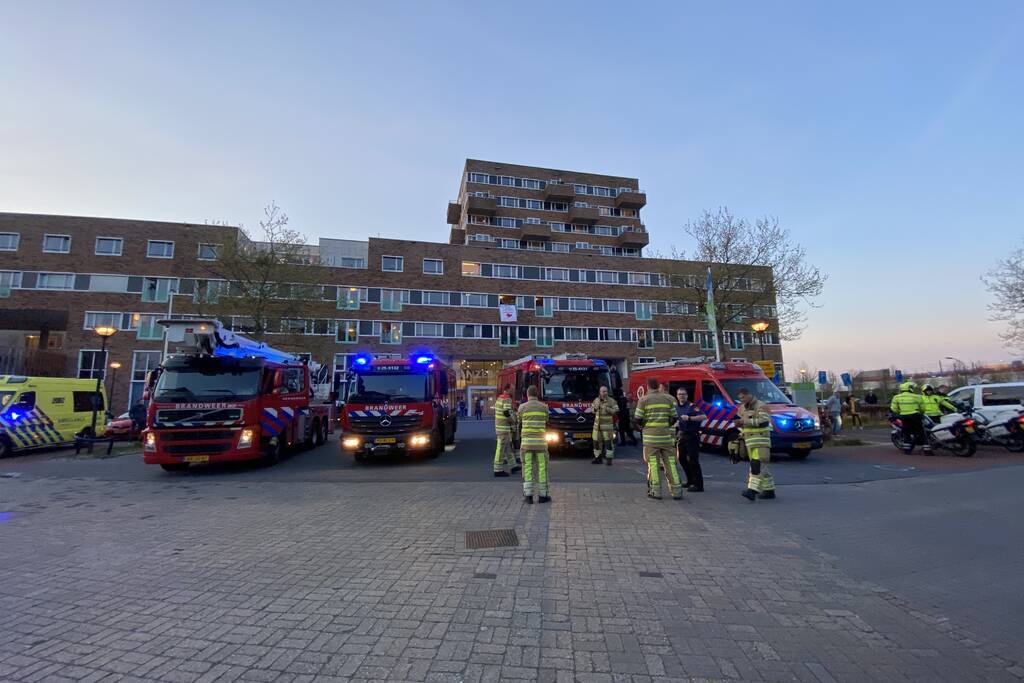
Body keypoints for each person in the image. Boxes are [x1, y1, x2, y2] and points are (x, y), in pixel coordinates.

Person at [634, 377, 682, 500]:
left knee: (654, 465)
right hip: (666, 437)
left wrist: (645, 425)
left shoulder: (644, 400)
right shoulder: (668, 399)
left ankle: (655, 491)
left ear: (648, 386)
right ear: (658, 386)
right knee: (671, 464)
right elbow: (674, 417)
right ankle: (677, 491)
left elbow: (637, 419)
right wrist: (666, 425)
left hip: (651, 439)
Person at [735, 387, 775, 501]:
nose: (742, 400)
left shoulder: (761, 406)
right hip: (749, 442)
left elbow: (764, 422)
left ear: (749, 395)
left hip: (760, 441)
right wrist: (740, 427)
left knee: (756, 466)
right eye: (740, 398)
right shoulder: (742, 408)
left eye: (743, 397)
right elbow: (741, 422)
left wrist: (745, 421)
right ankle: (769, 490)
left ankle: (752, 491)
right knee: (762, 466)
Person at [517, 385, 551, 504]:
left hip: (527, 444)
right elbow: (547, 420)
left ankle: (528, 496)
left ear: (527, 394)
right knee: (542, 468)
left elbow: (518, 421)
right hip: (541, 444)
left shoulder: (522, 407)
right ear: (537, 394)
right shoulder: (544, 407)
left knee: (527, 468)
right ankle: (543, 495)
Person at [675, 387, 706, 492]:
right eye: (680, 394)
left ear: (687, 395)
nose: (681, 396)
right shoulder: (677, 408)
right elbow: (679, 421)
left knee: (693, 460)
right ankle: (690, 481)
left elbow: (703, 416)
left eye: (683, 394)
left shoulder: (692, 406)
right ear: (677, 396)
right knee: (682, 459)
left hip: (693, 436)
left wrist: (690, 418)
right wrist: (678, 427)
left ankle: (699, 485)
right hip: (683, 436)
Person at [890, 381, 927, 454]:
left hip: (904, 417)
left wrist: (900, 412)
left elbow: (894, 409)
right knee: (921, 433)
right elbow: (923, 409)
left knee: (907, 433)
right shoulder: (917, 396)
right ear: (910, 388)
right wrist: (920, 413)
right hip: (915, 416)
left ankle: (907, 450)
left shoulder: (896, 397)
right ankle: (927, 450)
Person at [493, 384, 520, 477]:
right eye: (512, 389)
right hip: (504, 428)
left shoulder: (500, 398)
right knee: (501, 449)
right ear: (508, 389)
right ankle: (498, 470)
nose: (513, 390)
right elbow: (506, 412)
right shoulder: (507, 398)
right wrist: (513, 421)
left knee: (507, 448)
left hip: (500, 427)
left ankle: (513, 466)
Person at [590, 385, 617, 465]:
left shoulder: (611, 401)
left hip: (607, 427)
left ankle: (609, 459)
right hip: (597, 427)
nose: (605, 393)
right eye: (603, 391)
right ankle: (598, 458)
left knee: (608, 443)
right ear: (600, 392)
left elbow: (616, 410)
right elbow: (592, 410)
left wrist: (607, 409)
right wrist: (595, 408)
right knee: (596, 443)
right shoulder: (596, 400)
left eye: (606, 391)